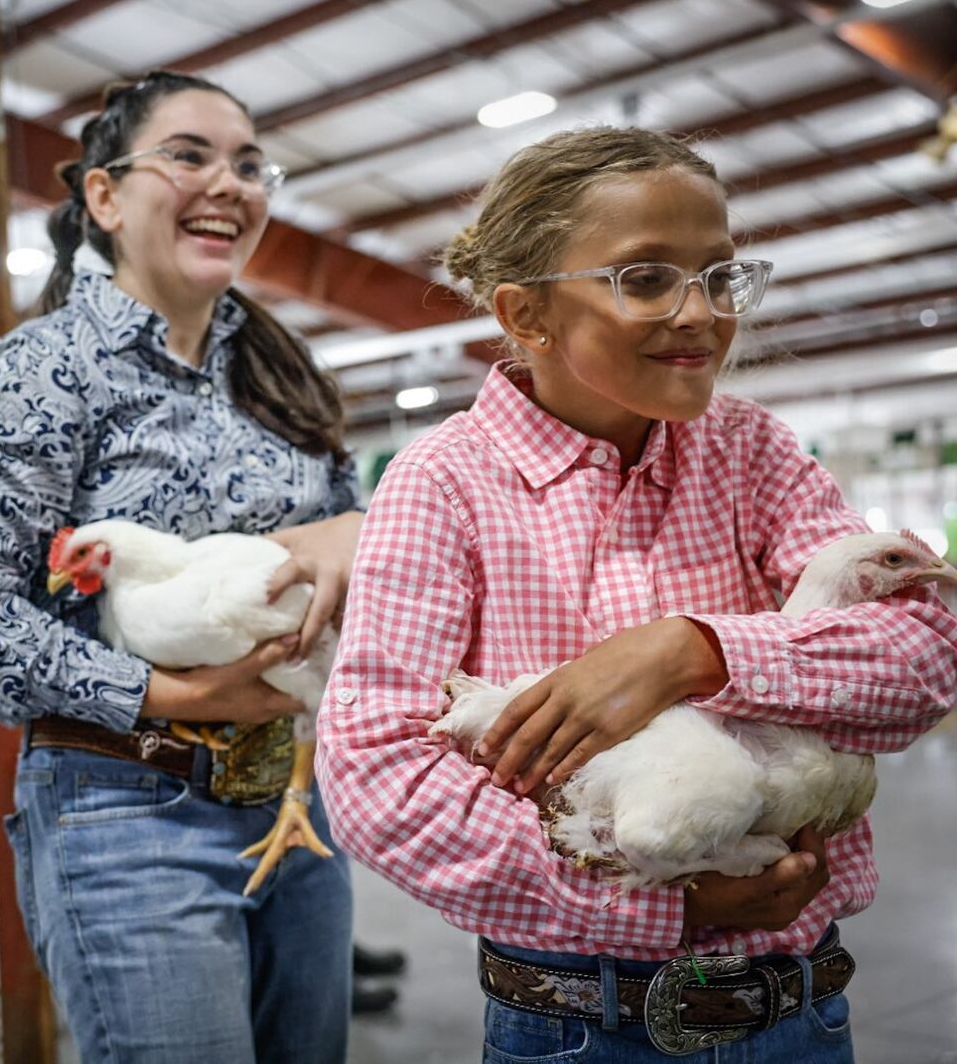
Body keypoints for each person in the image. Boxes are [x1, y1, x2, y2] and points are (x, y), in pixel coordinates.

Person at [316, 126, 957, 1061]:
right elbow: (377, 775)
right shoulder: (444, 482)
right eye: (646, 278)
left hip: (803, 1011)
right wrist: (650, 897)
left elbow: (925, 657)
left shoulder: (753, 453)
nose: (701, 312)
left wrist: (691, 653)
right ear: (526, 313)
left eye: (720, 276)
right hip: (581, 1024)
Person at [0, 70, 361, 1063]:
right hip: (128, 815)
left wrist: (352, 536)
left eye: (247, 163)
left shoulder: (281, 377)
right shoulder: (51, 366)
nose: (228, 183)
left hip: (292, 803)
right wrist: (171, 688)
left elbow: (357, 556)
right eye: (188, 155)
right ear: (103, 197)